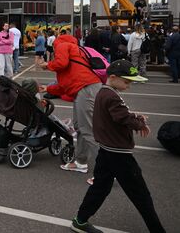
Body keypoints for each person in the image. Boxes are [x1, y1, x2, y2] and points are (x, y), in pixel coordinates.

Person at [70, 60, 165, 233]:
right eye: (127, 81)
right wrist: (139, 123)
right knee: (141, 194)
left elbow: (118, 113)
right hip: (118, 153)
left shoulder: (104, 92)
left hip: (106, 149)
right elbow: (122, 117)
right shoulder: (111, 95)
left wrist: (135, 116)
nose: (129, 86)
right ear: (112, 77)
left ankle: (80, 220)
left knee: (100, 188)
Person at [38, 32, 102, 184]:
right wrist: (48, 88)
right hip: (87, 88)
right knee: (80, 127)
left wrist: (47, 65)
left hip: (86, 90)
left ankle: (107, 171)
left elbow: (61, 63)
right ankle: (80, 162)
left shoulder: (62, 45)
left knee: (87, 130)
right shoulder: (74, 49)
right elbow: (65, 85)